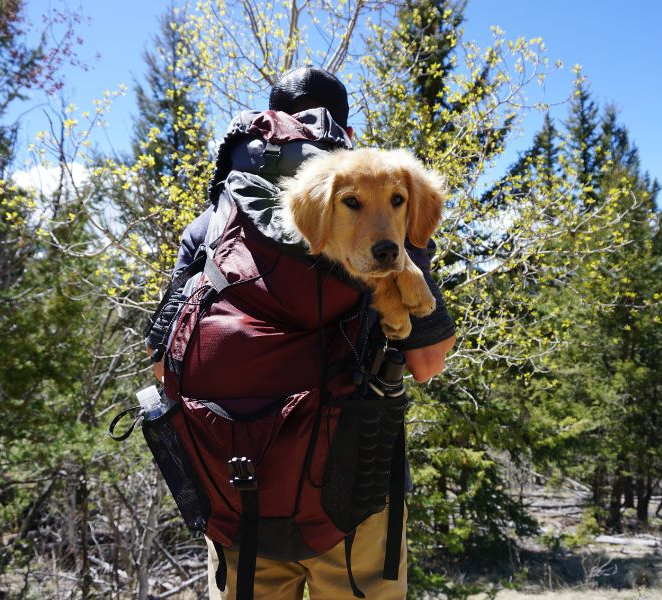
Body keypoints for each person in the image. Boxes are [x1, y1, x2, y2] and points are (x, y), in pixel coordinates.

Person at [145, 66, 455, 599]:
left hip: (240, 492)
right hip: (356, 493)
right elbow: (428, 364)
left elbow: (161, 360)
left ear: (270, 125)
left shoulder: (214, 222)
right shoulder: (384, 203)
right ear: (346, 136)